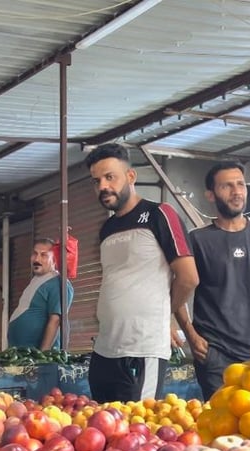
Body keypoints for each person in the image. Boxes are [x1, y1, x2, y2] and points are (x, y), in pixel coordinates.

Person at [85, 143, 198, 403]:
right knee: (101, 430)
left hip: (142, 349)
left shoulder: (160, 215)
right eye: (96, 181)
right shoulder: (107, 228)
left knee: (138, 432)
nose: (103, 186)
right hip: (104, 350)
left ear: (131, 176)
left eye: (110, 177)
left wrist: (164, 316)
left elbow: (188, 278)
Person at [174, 161, 250, 400]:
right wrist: (191, 334)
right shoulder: (197, 240)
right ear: (211, 195)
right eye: (227, 186)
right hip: (215, 354)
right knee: (221, 425)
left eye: (240, 184)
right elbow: (177, 290)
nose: (237, 191)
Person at [7, 238, 74, 349]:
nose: (37, 259)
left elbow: (56, 320)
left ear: (54, 260)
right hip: (23, 353)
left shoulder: (58, 283)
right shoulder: (36, 280)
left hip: (40, 358)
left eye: (44, 255)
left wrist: (43, 354)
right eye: (35, 253)